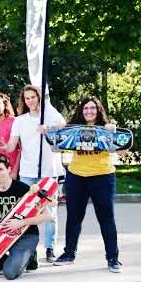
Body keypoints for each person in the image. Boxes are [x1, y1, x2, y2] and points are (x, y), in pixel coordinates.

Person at [53, 97, 126, 272]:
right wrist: (57, 132)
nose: (89, 111)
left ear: (98, 110)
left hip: (103, 177)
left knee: (106, 219)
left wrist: (113, 133)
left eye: (93, 108)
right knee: (73, 218)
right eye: (85, 108)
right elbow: (54, 148)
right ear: (81, 111)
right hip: (76, 176)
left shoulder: (107, 128)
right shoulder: (74, 129)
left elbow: (123, 151)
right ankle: (69, 253)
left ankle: (113, 258)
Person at [2, 85, 65, 261]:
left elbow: (63, 125)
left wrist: (49, 129)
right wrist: (4, 147)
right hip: (28, 170)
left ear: (39, 97)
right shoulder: (20, 120)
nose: (30, 101)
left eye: (33, 97)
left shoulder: (50, 114)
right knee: (26, 210)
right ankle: (29, 249)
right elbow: (11, 145)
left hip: (49, 170)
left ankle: (50, 247)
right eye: (27, 98)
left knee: (50, 211)